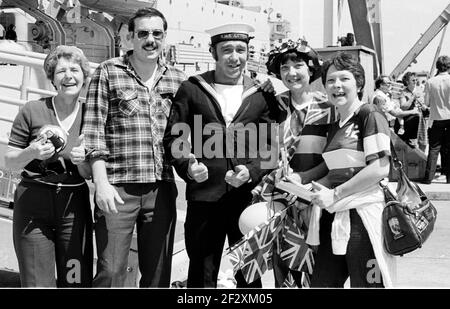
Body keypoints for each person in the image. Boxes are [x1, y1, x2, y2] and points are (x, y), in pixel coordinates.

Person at [163, 23, 277, 288]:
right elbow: (174, 138)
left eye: (241, 49)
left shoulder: (261, 95)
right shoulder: (192, 89)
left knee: (249, 274)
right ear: (213, 51)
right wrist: (188, 167)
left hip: (248, 199)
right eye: (226, 50)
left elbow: (271, 149)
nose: (234, 57)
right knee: (202, 272)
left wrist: (252, 171)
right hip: (204, 196)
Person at [81, 8, 186, 287]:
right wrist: (101, 184)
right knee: (111, 270)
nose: (150, 40)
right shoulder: (108, 72)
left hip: (161, 187)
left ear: (164, 37)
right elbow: (93, 133)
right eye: (143, 33)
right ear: (130, 37)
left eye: (156, 34)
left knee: (157, 274)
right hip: (118, 189)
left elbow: (185, 134)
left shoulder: (178, 79)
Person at [4, 45, 93, 287]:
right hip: (33, 203)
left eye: (75, 70)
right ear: (52, 78)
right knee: (36, 282)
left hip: (73, 206)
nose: (68, 76)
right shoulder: (32, 110)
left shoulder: (91, 114)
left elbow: (88, 173)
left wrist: (82, 161)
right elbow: (9, 161)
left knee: (75, 279)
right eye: (61, 71)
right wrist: (31, 151)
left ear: (84, 76)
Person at [307, 52, 396, 288]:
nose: (336, 85)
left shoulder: (370, 115)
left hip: (364, 219)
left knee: (368, 285)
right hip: (334, 215)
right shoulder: (335, 125)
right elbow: (335, 172)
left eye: (344, 79)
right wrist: (306, 186)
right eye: (330, 80)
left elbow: (379, 168)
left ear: (358, 82)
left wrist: (335, 194)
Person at [262, 38, 337, 287]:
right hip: (282, 203)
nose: (291, 73)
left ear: (311, 69)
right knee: (284, 269)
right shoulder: (274, 106)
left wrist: (305, 181)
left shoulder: (329, 108)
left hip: (319, 201)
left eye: (298, 66)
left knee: (320, 272)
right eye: (284, 68)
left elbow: (335, 158)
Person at [422, 55, 450, 184]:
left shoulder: (430, 82)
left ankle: (428, 178)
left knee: (434, 149)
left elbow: (426, 102)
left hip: (436, 119)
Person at [395, 72, 425, 148]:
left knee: (423, 142)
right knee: (411, 144)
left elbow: (423, 104)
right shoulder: (403, 92)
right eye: (413, 80)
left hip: (420, 119)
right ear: (407, 82)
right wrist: (412, 97)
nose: (415, 82)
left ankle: (422, 159)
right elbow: (403, 107)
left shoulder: (419, 90)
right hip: (410, 120)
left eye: (416, 80)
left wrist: (423, 106)